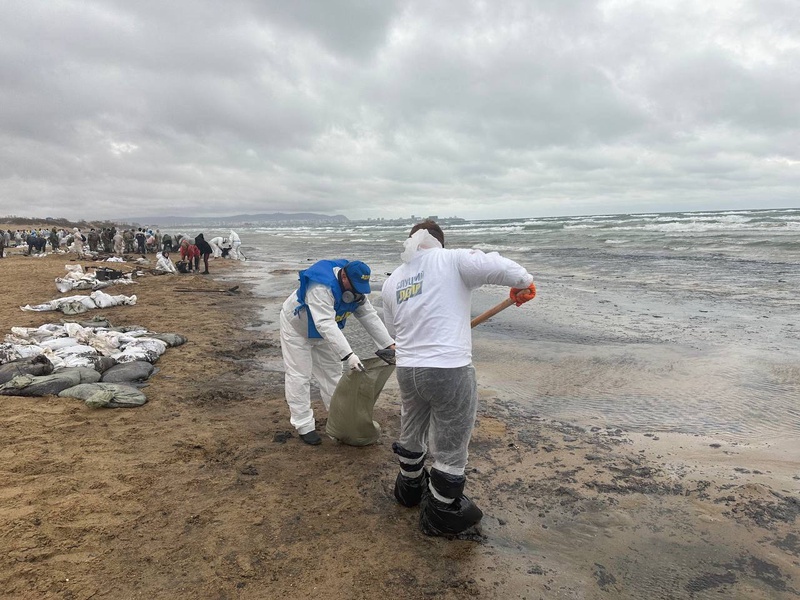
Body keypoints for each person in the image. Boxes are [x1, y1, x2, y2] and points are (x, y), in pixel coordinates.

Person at [381, 220, 537, 537]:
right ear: (439, 242)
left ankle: (409, 490)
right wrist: (524, 283)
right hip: (449, 369)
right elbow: (507, 269)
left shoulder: (392, 281)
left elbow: (394, 331)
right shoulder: (452, 259)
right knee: (452, 444)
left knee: (412, 428)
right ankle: (440, 512)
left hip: (408, 369)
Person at [279, 259, 395, 445]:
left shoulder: (356, 291)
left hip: (324, 335)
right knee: (299, 376)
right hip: (297, 329)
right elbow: (324, 323)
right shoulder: (320, 287)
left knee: (332, 375)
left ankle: (339, 423)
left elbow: (368, 315)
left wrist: (389, 345)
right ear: (343, 276)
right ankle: (304, 425)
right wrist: (348, 355)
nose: (357, 291)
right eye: (355, 286)